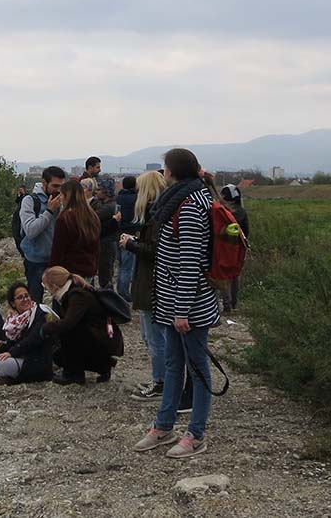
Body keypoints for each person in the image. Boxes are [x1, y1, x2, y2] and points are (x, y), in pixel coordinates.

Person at [133, 148, 220, 458]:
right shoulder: (178, 201)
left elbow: (190, 263)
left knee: (197, 370)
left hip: (189, 307)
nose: (163, 172)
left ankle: (196, 435)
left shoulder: (193, 205)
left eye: (165, 167)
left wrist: (181, 310)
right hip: (171, 304)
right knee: (172, 365)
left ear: (172, 172)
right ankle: (164, 426)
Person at [120, 170, 168, 400]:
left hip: (152, 285)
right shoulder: (157, 215)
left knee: (156, 339)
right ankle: (161, 379)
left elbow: (157, 252)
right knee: (152, 337)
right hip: (150, 283)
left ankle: (161, 383)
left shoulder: (157, 217)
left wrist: (131, 244)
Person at [41, 266, 122, 384]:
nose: (47, 290)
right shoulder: (74, 292)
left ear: (54, 286)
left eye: (46, 286)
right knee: (59, 355)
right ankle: (102, 365)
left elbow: (69, 323)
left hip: (102, 339)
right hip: (97, 336)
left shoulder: (78, 296)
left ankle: (74, 374)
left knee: (69, 333)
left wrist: (47, 327)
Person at [0, 281, 54, 384]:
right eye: (20, 297)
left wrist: (11, 352)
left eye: (26, 296)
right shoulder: (14, 320)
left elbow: (33, 339)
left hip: (34, 360)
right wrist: (0, 347)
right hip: (19, 356)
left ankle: (7, 376)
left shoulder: (39, 313)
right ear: (13, 303)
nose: (25, 299)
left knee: (0, 363)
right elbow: (11, 345)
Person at [18, 166, 66, 303]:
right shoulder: (30, 201)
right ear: (44, 183)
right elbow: (31, 231)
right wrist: (49, 212)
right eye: (55, 186)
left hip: (56, 259)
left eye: (61, 186)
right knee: (36, 300)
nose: (58, 190)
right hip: (35, 261)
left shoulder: (60, 201)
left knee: (59, 299)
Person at [50, 180, 101, 279]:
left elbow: (58, 250)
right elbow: (96, 246)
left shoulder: (64, 219)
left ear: (66, 196)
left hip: (69, 271)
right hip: (88, 269)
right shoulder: (92, 216)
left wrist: (52, 271)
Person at [219, 184, 250, 312]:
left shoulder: (221, 211)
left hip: (222, 248)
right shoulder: (241, 212)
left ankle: (226, 304)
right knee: (234, 276)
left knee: (222, 276)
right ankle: (233, 303)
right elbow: (246, 232)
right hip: (237, 249)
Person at [115, 175, 138, 301]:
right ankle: (124, 293)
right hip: (130, 233)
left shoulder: (118, 198)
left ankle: (120, 290)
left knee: (121, 265)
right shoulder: (137, 199)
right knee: (127, 266)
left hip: (118, 232)